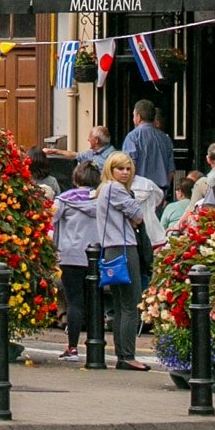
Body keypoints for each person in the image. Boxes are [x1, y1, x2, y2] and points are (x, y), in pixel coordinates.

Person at [95, 153, 149, 369]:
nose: (125, 173)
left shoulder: (104, 189)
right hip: (124, 248)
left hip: (110, 249)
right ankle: (128, 356)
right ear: (111, 169)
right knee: (130, 304)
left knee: (120, 305)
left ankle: (123, 354)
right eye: (120, 168)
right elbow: (137, 214)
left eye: (128, 169)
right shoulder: (115, 188)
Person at [51, 159, 100, 358]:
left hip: (70, 255)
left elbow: (50, 220)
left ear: (76, 178)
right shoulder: (101, 200)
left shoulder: (63, 200)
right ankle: (95, 348)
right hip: (96, 256)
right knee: (95, 302)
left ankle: (72, 347)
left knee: (74, 302)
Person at [122, 101, 174, 203]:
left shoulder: (133, 137)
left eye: (133, 116)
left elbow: (129, 166)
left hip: (138, 192)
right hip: (159, 193)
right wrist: (165, 194)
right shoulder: (166, 139)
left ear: (138, 116)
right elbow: (171, 171)